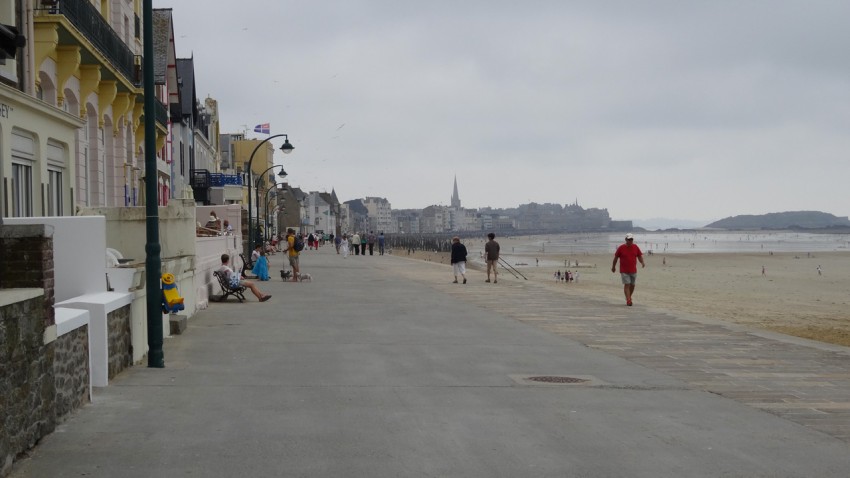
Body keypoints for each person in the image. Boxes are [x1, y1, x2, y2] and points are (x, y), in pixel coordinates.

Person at [611, 233, 645, 306]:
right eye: (629, 239)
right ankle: (629, 300)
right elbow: (615, 258)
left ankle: (628, 297)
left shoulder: (635, 247)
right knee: (627, 284)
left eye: (631, 239)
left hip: (633, 270)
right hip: (624, 270)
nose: (630, 241)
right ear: (626, 240)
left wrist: (642, 262)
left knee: (632, 285)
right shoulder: (621, 248)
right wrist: (613, 267)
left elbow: (639, 256)